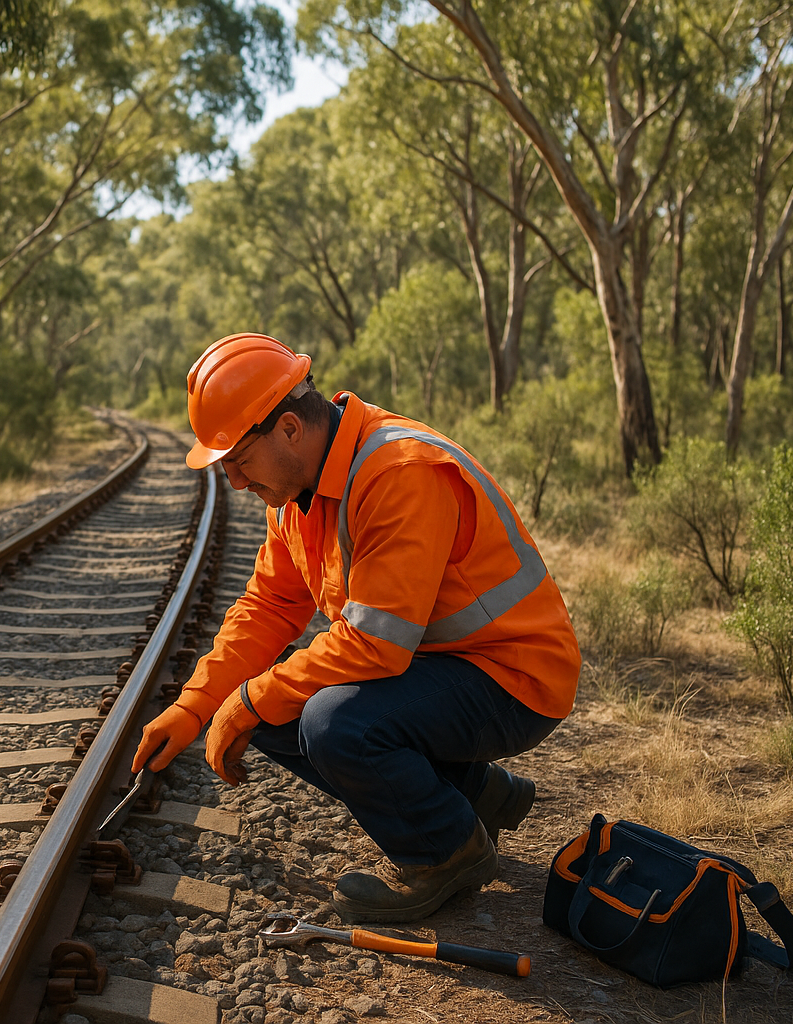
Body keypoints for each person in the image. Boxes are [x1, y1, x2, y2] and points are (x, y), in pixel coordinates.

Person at [133, 333, 580, 923]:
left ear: (289, 428)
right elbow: (269, 606)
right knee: (267, 691)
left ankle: (447, 851)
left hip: (513, 678)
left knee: (329, 720)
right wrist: (195, 707)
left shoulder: (400, 472)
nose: (236, 483)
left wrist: (247, 703)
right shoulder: (297, 493)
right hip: (439, 667)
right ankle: (478, 794)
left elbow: (376, 643)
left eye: (239, 462)